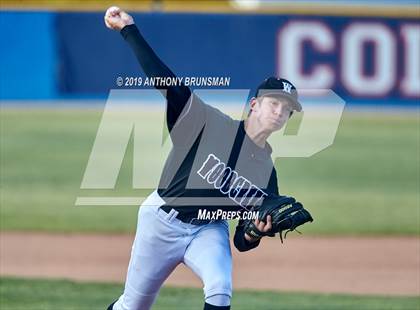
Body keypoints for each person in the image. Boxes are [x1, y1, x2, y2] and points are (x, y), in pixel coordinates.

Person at [104, 6, 303, 310]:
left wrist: (254, 232)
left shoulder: (266, 171)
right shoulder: (209, 123)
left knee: (220, 289)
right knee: (134, 305)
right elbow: (166, 82)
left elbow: (242, 241)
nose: (279, 111)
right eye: (273, 102)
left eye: (286, 108)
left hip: (209, 229)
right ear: (254, 105)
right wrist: (129, 30)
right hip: (161, 221)